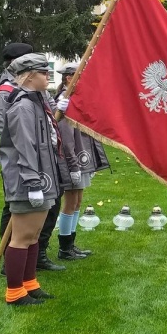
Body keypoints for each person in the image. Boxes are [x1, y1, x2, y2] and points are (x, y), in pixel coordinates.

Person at [0, 43, 65, 273]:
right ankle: (11, 261)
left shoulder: (36, 91)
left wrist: (59, 109)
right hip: (24, 165)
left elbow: (48, 118)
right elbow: (16, 134)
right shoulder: (8, 92)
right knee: (16, 212)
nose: (46, 74)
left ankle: (36, 257)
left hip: (42, 161)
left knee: (44, 215)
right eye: (42, 70)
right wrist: (32, 177)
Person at [54, 64, 110, 259]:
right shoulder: (64, 101)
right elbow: (67, 137)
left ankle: (71, 242)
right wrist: (74, 166)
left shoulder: (77, 100)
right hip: (72, 162)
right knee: (70, 203)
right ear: (69, 78)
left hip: (81, 160)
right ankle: (64, 247)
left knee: (77, 202)